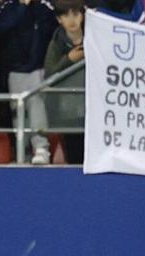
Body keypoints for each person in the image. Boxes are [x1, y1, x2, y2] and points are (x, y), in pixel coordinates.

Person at [0, 0, 57, 165]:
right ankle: (23, 151)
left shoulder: (44, 6)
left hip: (39, 67)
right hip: (15, 69)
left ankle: (42, 148)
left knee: (36, 103)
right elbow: (1, 28)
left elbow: (51, 28)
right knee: (18, 110)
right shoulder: (6, 7)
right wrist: (23, 6)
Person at [43, 0, 84, 164]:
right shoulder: (56, 43)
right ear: (59, 19)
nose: (72, 20)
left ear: (82, 16)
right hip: (68, 113)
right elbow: (50, 74)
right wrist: (69, 59)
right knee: (74, 159)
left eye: (75, 14)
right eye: (66, 15)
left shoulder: (95, 37)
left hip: (94, 111)